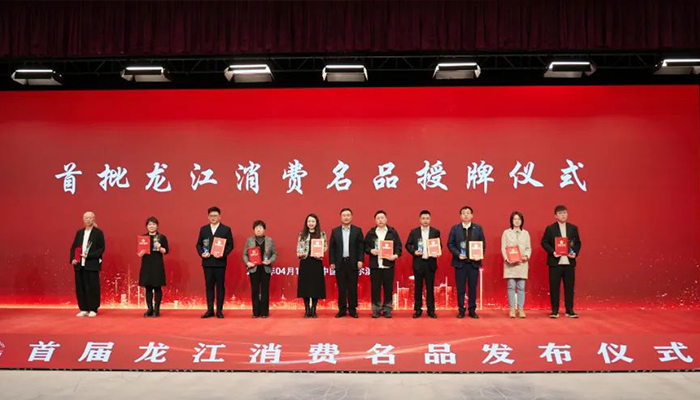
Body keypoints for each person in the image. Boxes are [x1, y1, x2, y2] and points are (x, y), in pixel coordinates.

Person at [541, 205, 582, 318]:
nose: (563, 215)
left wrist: (575, 253)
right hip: (555, 263)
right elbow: (544, 242)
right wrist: (553, 252)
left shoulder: (573, 228)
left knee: (569, 287)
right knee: (554, 287)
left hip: (569, 262)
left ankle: (569, 310)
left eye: (564, 213)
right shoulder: (550, 228)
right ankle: (555, 310)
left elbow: (578, 243)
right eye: (560, 213)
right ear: (555, 216)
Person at [447, 206, 486, 319]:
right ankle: (461, 310)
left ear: (472, 215)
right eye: (463, 213)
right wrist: (458, 254)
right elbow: (450, 244)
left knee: (472, 288)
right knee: (460, 288)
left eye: (468, 213)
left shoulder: (478, 228)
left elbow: (483, 244)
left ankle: (472, 310)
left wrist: (479, 255)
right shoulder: (455, 229)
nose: (466, 215)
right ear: (460, 216)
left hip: (473, 264)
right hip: (460, 263)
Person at [196, 206, 234, 319]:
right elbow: (198, 245)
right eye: (211, 216)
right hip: (207, 262)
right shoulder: (204, 229)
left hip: (220, 263)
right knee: (209, 286)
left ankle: (219, 311)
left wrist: (223, 254)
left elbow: (230, 245)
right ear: (208, 217)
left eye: (215, 216)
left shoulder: (226, 229)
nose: (213, 218)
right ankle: (210, 310)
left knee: (220, 286)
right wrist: (202, 253)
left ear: (219, 217)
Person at [364, 210, 402, 318]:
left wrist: (395, 255)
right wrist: (371, 250)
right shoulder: (371, 233)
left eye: (382, 218)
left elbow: (399, 248)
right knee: (375, 288)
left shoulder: (392, 232)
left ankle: (387, 309)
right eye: (378, 218)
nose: (380, 220)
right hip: (375, 265)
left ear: (386, 219)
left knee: (388, 288)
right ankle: (376, 309)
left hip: (388, 265)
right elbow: (365, 247)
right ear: (375, 220)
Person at [329, 208, 364, 318]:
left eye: (348, 215)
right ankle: (342, 309)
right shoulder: (335, 231)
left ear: (351, 217)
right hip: (340, 263)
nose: (346, 217)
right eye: (344, 215)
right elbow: (332, 248)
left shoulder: (357, 231)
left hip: (352, 263)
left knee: (352, 287)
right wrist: (332, 262)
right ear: (340, 217)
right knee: (341, 288)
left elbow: (361, 247)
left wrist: (360, 260)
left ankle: (352, 309)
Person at [405, 210, 441, 318]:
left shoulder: (435, 232)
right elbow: (407, 245)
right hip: (419, 263)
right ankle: (418, 310)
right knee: (418, 288)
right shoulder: (414, 232)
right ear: (420, 219)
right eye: (423, 218)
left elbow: (439, 245)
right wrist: (414, 252)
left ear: (430, 219)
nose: (425, 220)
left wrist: (437, 251)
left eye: (427, 218)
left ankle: (431, 310)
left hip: (430, 263)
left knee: (430, 288)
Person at [69, 211, 105, 318]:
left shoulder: (98, 233)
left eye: (90, 218)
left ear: (94, 219)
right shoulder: (80, 232)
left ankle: (93, 309)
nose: (88, 220)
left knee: (93, 287)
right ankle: (83, 309)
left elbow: (101, 248)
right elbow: (74, 247)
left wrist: (89, 255)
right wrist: (73, 259)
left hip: (92, 264)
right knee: (80, 287)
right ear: (83, 219)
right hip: (79, 265)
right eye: (86, 218)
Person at [243, 220, 278, 318]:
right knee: (254, 290)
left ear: (264, 229)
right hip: (254, 268)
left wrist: (270, 261)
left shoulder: (269, 240)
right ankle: (255, 312)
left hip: (265, 268)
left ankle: (264, 312)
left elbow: (275, 254)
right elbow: (245, 254)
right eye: (256, 228)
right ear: (253, 230)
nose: (258, 230)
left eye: (260, 228)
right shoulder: (249, 240)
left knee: (265, 290)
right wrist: (248, 263)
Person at [500, 211, 531, 319]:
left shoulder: (526, 233)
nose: (517, 221)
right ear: (511, 221)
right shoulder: (506, 233)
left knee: (521, 287)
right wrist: (507, 259)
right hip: (510, 264)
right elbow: (503, 248)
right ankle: (512, 309)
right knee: (511, 286)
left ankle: (521, 309)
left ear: (522, 221)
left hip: (522, 263)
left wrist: (526, 256)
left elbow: (528, 248)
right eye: (515, 219)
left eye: (519, 219)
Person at [296, 213, 327, 318]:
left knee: (315, 287)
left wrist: (320, 252)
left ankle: (313, 309)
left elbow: (325, 246)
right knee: (305, 287)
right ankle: (307, 310)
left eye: (313, 221)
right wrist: (300, 253)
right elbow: (299, 247)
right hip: (305, 262)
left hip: (316, 262)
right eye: (309, 221)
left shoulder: (321, 234)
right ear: (306, 223)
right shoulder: (302, 234)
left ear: (316, 223)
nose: (311, 223)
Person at [138, 216, 169, 317]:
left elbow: (166, 251)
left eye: (153, 224)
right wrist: (141, 253)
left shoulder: (161, 237)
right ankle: (149, 309)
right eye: (149, 224)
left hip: (157, 264)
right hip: (146, 265)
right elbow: (139, 253)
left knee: (157, 287)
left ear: (157, 226)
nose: (151, 226)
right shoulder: (143, 238)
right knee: (148, 288)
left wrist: (160, 248)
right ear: (147, 226)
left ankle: (156, 309)